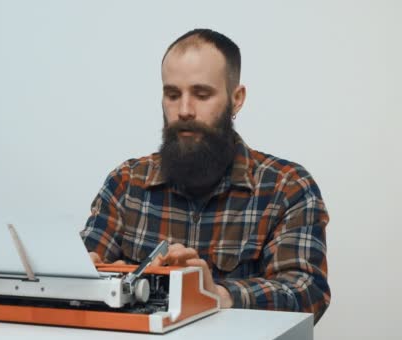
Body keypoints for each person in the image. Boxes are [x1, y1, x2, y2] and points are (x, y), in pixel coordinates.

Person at [80, 28, 330, 323]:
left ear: (236, 99)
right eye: (172, 95)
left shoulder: (287, 187)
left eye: (202, 94)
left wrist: (216, 293)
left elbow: (307, 293)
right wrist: (91, 276)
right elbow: (81, 276)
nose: (184, 110)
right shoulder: (125, 183)